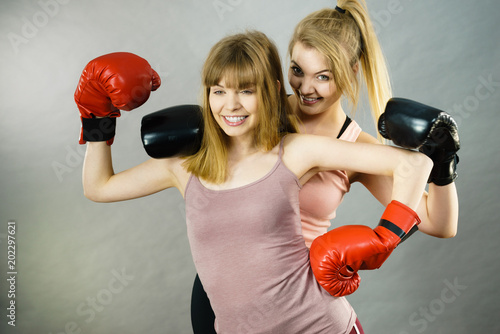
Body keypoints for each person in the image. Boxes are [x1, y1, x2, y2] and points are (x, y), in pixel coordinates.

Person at [78, 30, 433, 333]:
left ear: (272, 90)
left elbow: (413, 165)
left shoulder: (295, 152)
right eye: (218, 91)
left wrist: (384, 239)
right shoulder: (187, 165)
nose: (230, 105)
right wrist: (96, 119)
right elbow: (99, 187)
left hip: (319, 325)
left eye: (246, 91)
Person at [187, 1, 460, 332]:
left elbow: (438, 223)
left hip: (297, 301)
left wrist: (441, 161)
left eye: (323, 77)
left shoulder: (356, 148)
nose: (305, 88)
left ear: (351, 73)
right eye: (297, 71)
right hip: (220, 294)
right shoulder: (254, 113)